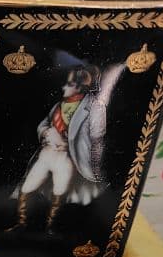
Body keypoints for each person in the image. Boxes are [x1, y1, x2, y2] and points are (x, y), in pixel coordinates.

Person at [10, 64, 106, 233]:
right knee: (27, 187)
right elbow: (43, 124)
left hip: (66, 158)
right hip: (46, 154)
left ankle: (51, 228)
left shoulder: (93, 108)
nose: (63, 87)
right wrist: (46, 132)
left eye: (69, 84)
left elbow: (97, 136)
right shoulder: (58, 105)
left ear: (79, 88)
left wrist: (66, 142)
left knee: (60, 191)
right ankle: (21, 224)